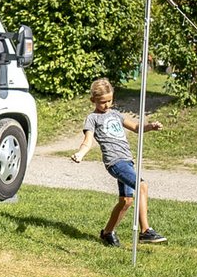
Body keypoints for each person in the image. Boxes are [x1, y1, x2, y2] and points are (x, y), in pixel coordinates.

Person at [70, 77, 166, 246]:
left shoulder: (115, 114)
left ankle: (107, 233)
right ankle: (145, 231)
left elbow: (136, 128)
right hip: (115, 162)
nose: (106, 105)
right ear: (93, 100)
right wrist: (80, 154)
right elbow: (88, 140)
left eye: (109, 101)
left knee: (126, 201)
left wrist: (150, 126)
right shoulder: (92, 118)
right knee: (142, 185)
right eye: (102, 102)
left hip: (127, 161)